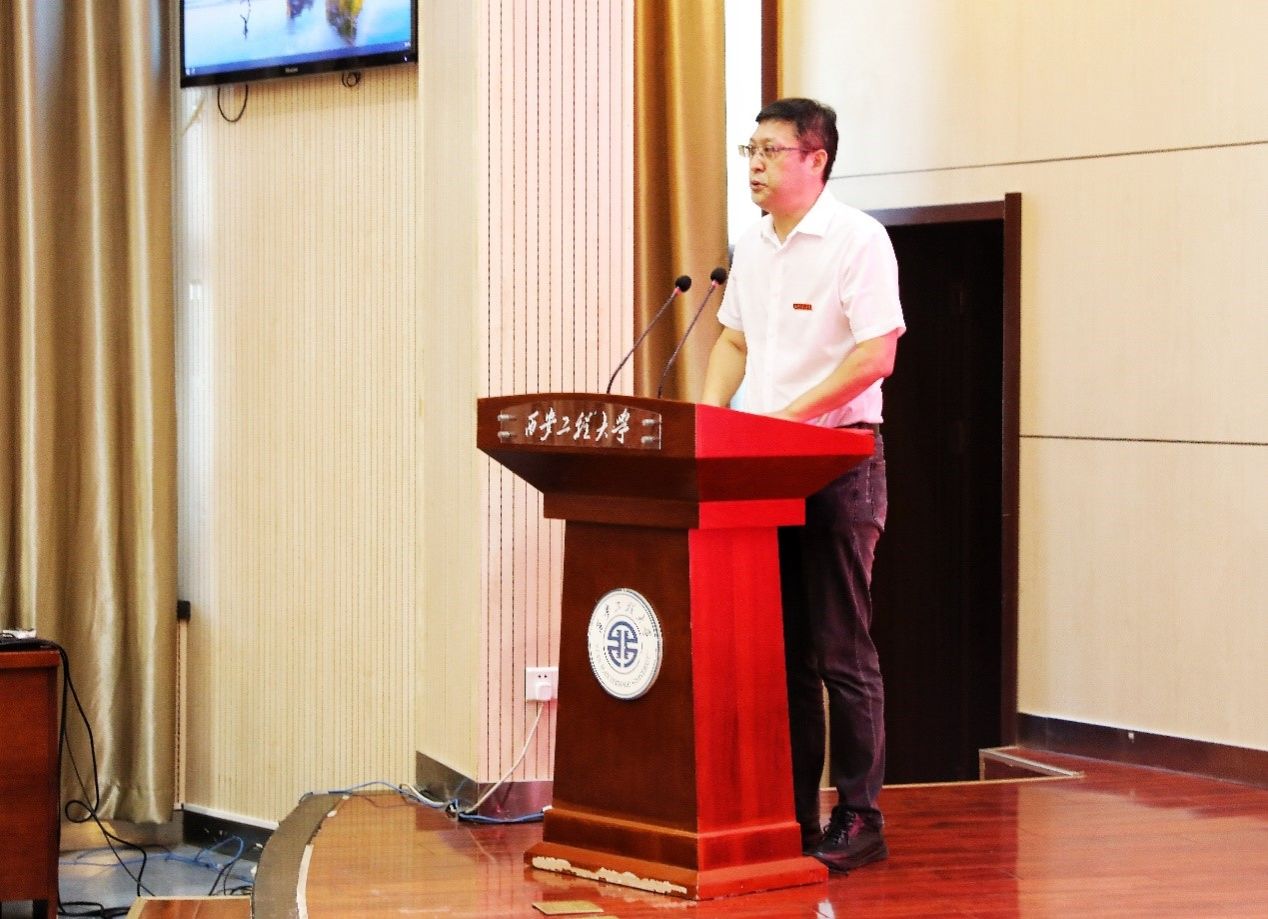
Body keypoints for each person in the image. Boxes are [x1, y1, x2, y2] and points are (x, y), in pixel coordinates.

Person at [700, 97, 905, 873]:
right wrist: (709, 420)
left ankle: (860, 816)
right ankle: (790, 814)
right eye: (749, 150)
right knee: (782, 655)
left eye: (770, 151)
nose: (753, 164)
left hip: (840, 462)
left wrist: (786, 419)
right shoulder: (752, 245)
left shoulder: (859, 239)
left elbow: (874, 355)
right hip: (766, 467)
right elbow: (733, 339)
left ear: (816, 159)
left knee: (840, 648)